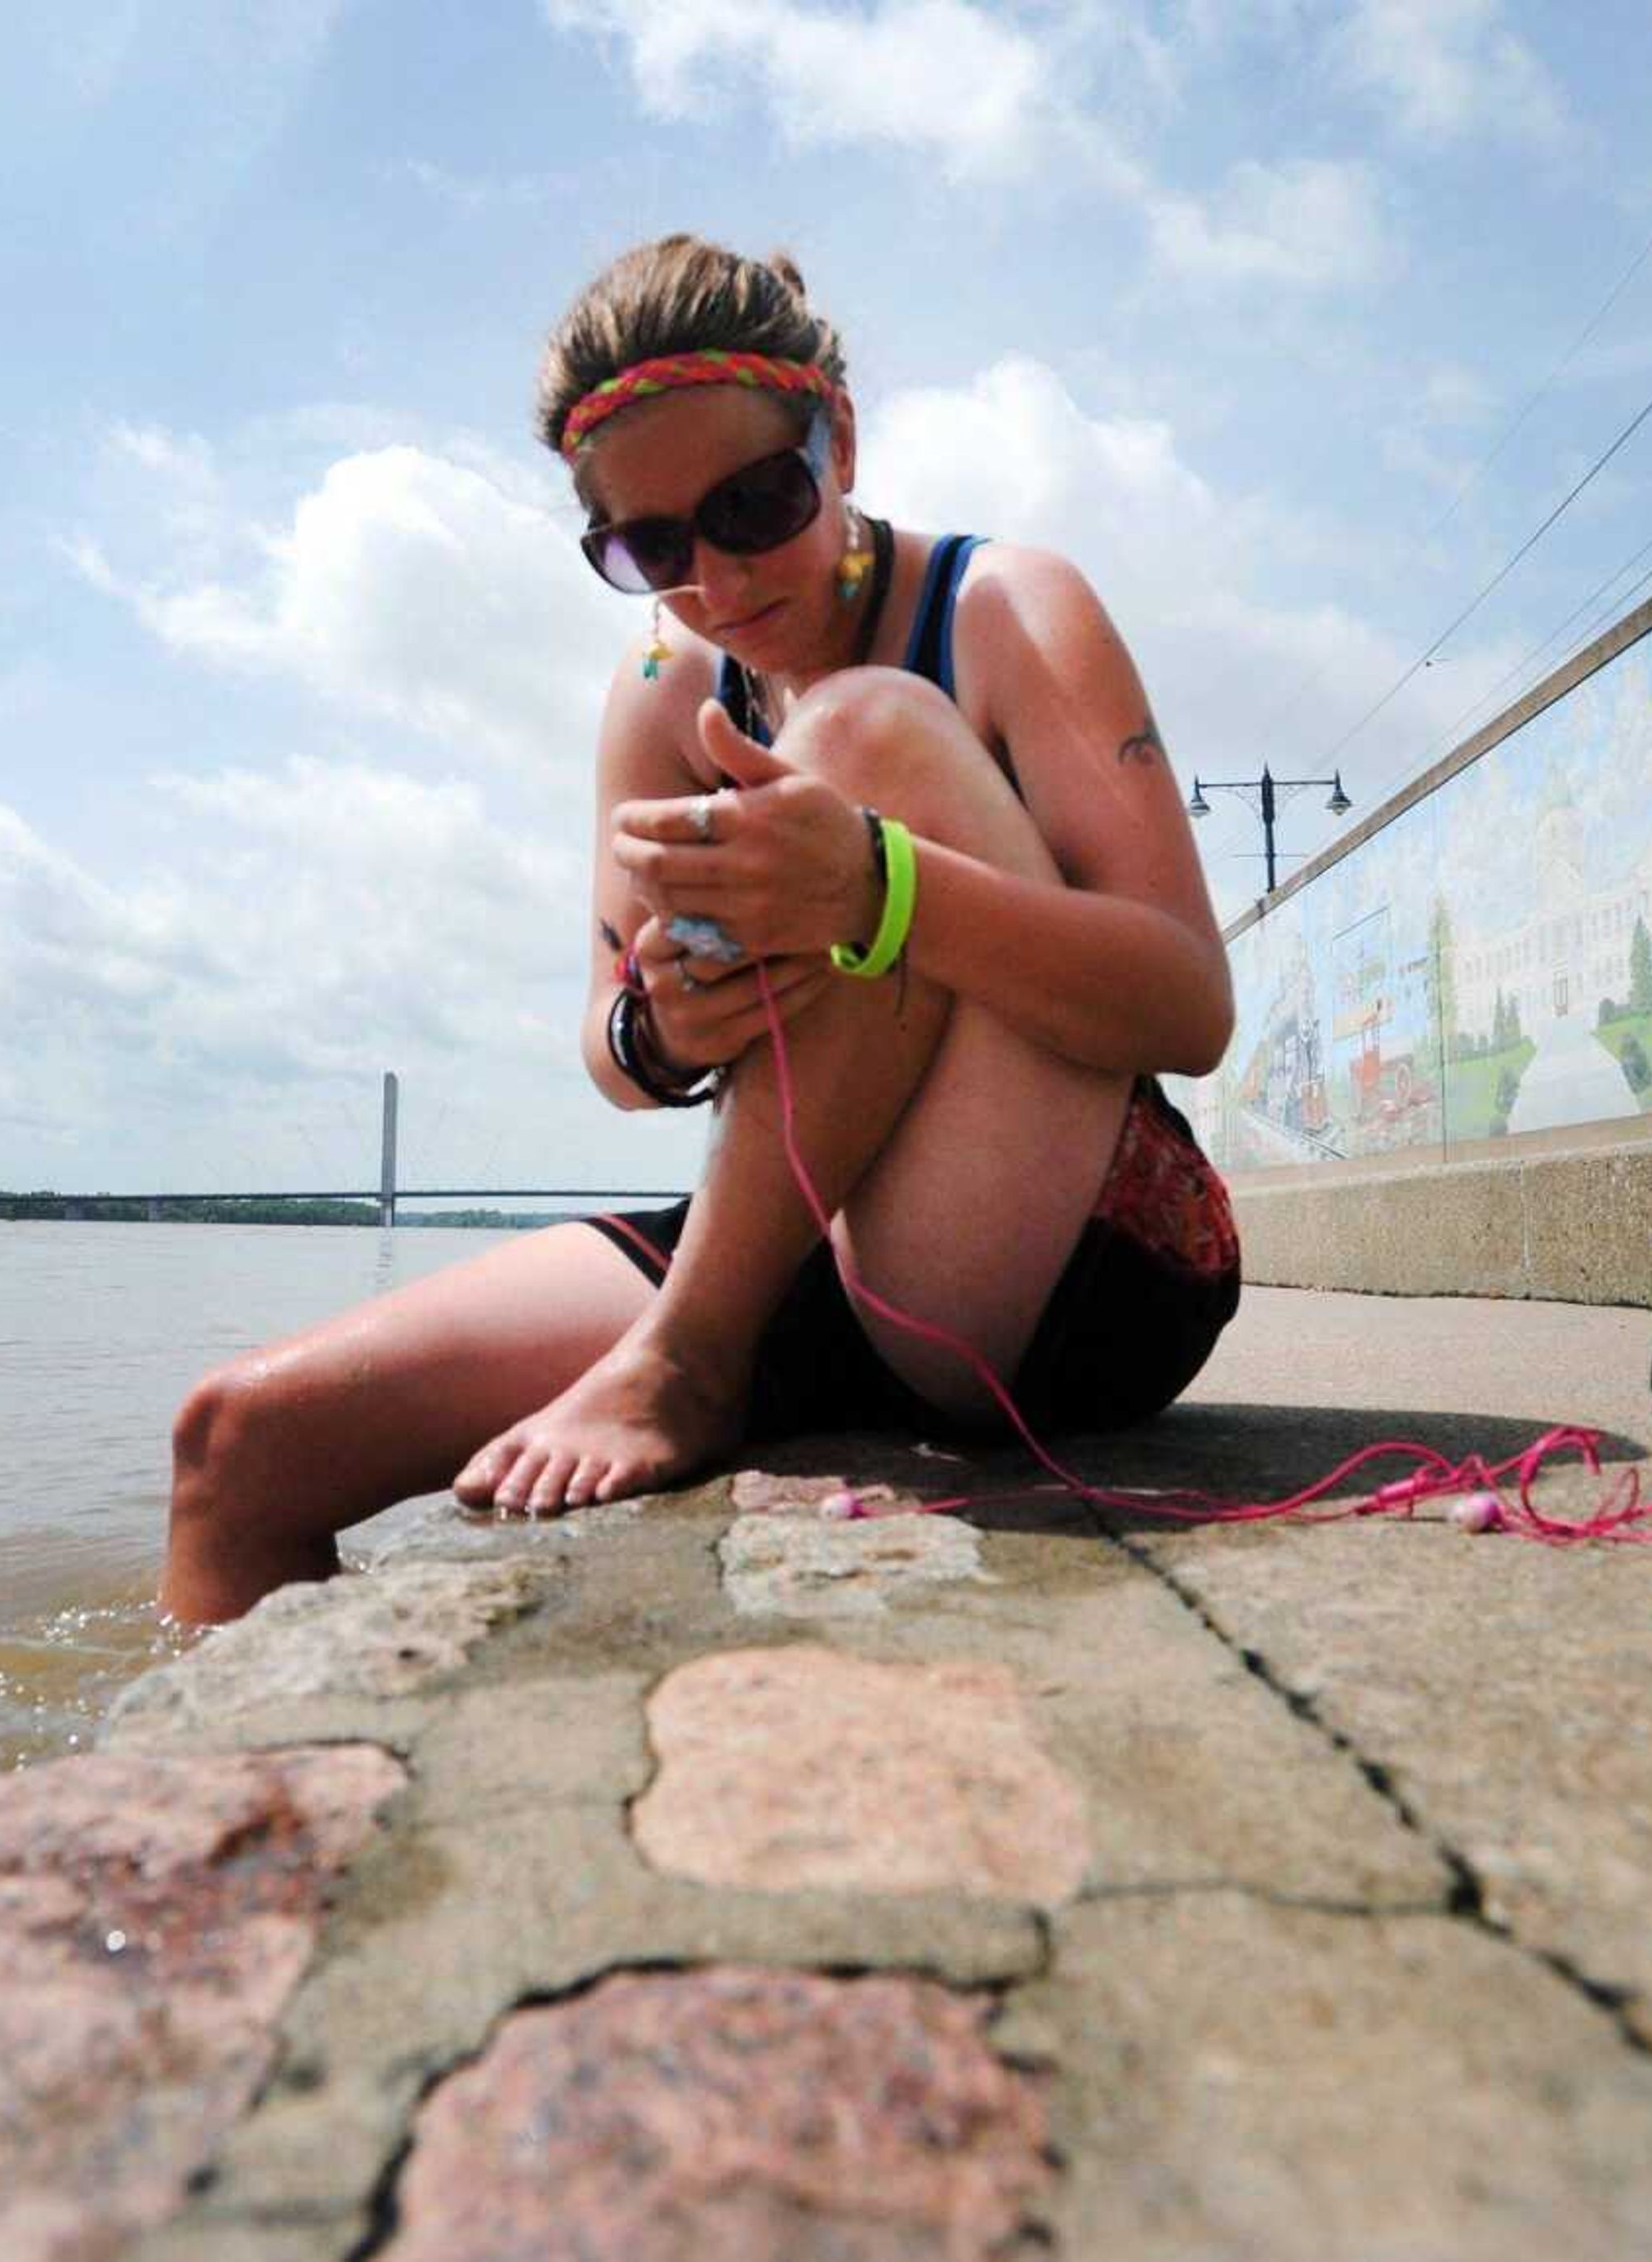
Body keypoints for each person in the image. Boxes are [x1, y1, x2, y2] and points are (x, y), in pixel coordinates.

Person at [159, 234, 1240, 1626]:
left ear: (836, 438)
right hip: (801, 1231)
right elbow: (616, 1049)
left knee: (867, 730)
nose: (718, 585)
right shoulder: (670, 685)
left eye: (757, 503)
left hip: (1062, 1257)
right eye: (651, 544)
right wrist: (660, 1027)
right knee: (235, 1440)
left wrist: (878, 892)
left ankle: (690, 1353)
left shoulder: (1006, 609)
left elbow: (1189, 1006)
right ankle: (249, 1831)